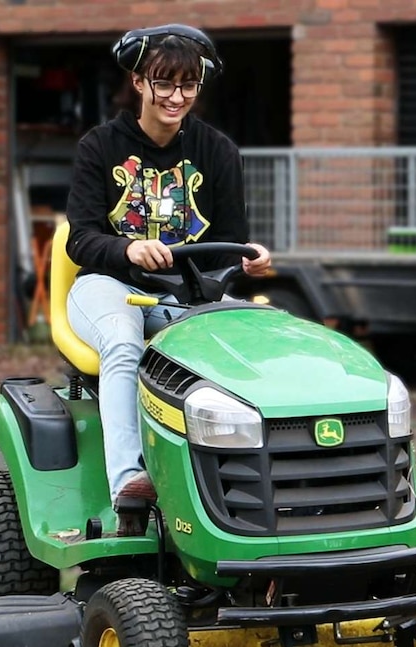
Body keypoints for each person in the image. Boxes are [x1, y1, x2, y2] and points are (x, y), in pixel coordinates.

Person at [64, 24, 271, 519]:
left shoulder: (217, 151)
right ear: (139, 82)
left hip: (188, 295)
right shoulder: (100, 147)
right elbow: (80, 241)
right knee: (122, 342)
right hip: (109, 285)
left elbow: (227, 242)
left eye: (187, 85)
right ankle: (128, 483)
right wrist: (129, 251)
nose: (176, 97)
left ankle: (247, 492)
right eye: (164, 83)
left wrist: (250, 258)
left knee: (261, 341)